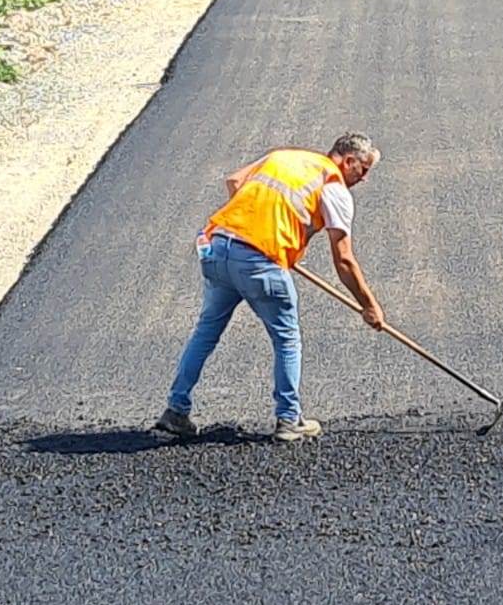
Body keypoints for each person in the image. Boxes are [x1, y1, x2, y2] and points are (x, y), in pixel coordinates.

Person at [156, 133, 386, 442]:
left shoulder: (283, 157)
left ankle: (176, 409)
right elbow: (343, 259)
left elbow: (234, 182)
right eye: (364, 169)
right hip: (258, 262)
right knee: (287, 338)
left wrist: (263, 230)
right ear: (348, 161)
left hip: (218, 248)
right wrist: (369, 305)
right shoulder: (333, 186)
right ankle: (289, 419)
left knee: (206, 331)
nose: (365, 178)